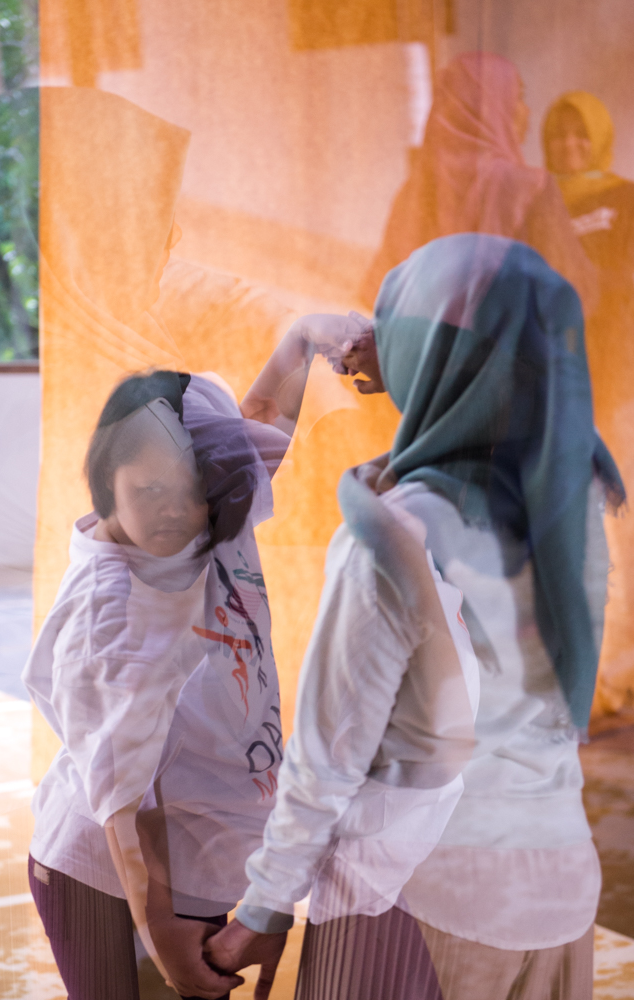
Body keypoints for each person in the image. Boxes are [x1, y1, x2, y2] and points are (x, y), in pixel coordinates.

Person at [207, 234, 625, 1000]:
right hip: (561, 898)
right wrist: (410, 353)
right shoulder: (576, 506)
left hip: (419, 900)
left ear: (429, 357)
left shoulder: (394, 532)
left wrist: (265, 905)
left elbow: (330, 755)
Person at [24, 307, 372, 1000]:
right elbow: (126, 806)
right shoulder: (111, 613)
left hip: (193, 860)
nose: (172, 511)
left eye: (190, 492)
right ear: (106, 480)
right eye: (148, 490)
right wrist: (160, 932)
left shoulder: (212, 514)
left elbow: (260, 421)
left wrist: (304, 338)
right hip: (116, 874)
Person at [359, 52, 596, 317]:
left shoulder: (412, 195)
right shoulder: (531, 189)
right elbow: (574, 296)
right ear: (491, 106)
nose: (526, 111)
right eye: (517, 97)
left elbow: (379, 298)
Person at [543, 91, 634, 713]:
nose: (570, 146)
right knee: (576, 535)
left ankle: (620, 674)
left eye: (581, 134)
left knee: (622, 529)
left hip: (618, 384)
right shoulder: (536, 201)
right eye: (559, 135)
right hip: (560, 390)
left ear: (599, 138)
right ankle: (591, 677)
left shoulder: (624, 200)